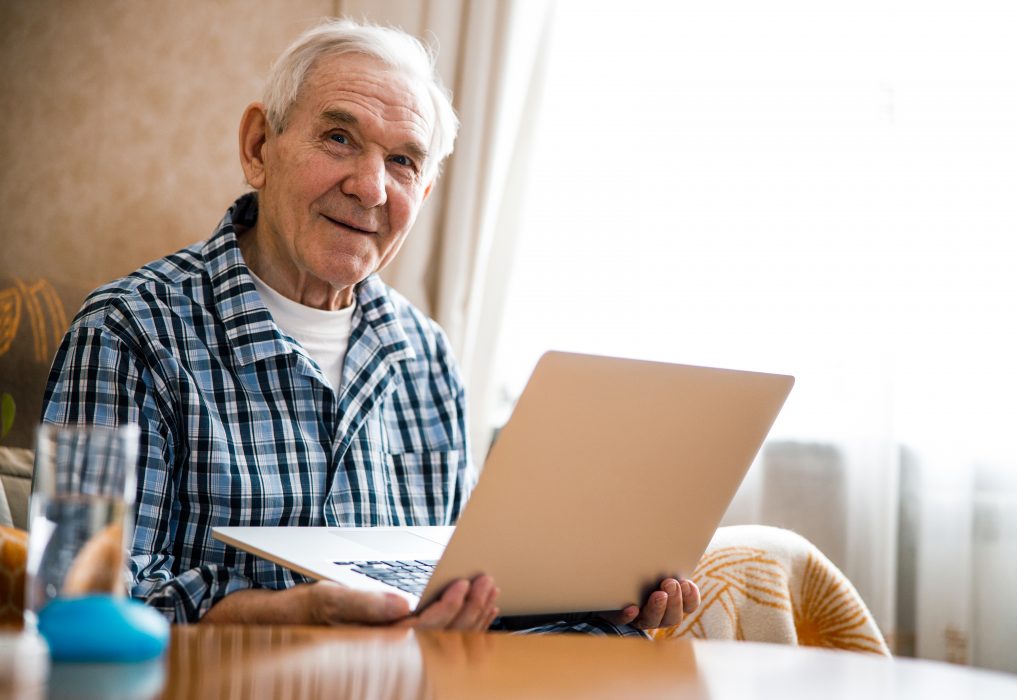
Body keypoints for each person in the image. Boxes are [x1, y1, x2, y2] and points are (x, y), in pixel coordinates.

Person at [42, 18, 699, 633]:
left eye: (404, 161)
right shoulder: (127, 334)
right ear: (258, 147)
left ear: (424, 196)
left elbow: (465, 590)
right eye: (339, 138)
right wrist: (286, 616)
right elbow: (77, 596)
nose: (371, 187)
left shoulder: (426, 355)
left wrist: (601, 606)